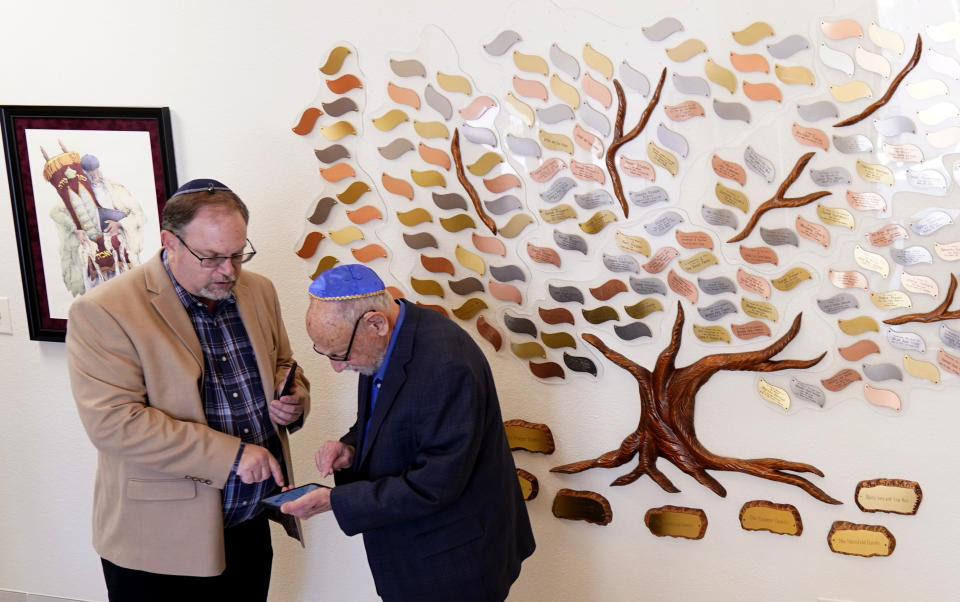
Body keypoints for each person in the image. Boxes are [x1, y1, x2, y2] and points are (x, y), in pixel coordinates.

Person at [65, 178, 310, 601]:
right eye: (212, 257)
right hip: (160, 542)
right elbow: (115, 425)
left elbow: (284, 364)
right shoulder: (103, 310)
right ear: (169, 243)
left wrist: (295, 398)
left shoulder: (260, 290)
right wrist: (231, 455)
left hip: (249, 523)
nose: (229, 271)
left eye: (237, 254)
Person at [284, 263, 535, 601]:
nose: (337, 367)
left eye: (340, 354)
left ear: (376, 323)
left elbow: (436, 483)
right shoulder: (386, 339)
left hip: (455, 563)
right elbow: (388, 416)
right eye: (326, 354)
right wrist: (351, 448)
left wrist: (336, 501)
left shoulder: (447, 365)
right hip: (415, 550)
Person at [81, 153, 147, 265]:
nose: (92, 174)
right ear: (84, 172)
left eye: (94, 170)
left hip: (122, 246)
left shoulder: (115, 188)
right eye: (88, 171)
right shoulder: (80, 192)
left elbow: (140, 216)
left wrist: (120, 224)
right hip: (95, 250)